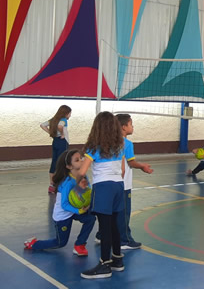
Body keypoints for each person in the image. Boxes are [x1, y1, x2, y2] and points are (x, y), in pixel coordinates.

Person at [78, 111, 126, 279]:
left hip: (103, 187)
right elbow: (122, 170)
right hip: (119, 186)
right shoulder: (120, 146)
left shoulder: (93, 148)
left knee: (104, 227)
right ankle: (117, 260)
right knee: (114, 225)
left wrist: (80, 180)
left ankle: (104, 264)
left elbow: (82, 171)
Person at [96, 114, 153, 250]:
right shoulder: (126, 143)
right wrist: (143, 166)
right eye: (130, 124)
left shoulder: (106, 142)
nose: (133, 127)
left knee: (109, 212)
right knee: (123, 213)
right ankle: (124, 240)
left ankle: (101, 235)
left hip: (107, 183)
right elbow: (131, 162)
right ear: (123, 127)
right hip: (123, 184)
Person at [24, 149, 96, 256]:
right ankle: (34, 244)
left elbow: (87, 192)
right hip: (63, 214)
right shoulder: (66, 183)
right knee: (60, 243)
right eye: (77, 160)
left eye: (81, 158)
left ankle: (79, 245)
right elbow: (64, 205)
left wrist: (88, 203)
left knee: (90, 219)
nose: (81, 161)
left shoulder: (83, 177)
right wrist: (79, 210)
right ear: (69, 166)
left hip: (75, 210)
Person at [40, 105, 72, 194]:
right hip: (62, 142)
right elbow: (60, 126)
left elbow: (42, 125)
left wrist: (51, 132)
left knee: (54, 161)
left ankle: (51, 185)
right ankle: (61, 183)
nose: (70, 115)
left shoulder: (53, 119)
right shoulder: (63, 120)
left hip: (55, 141)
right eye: (69, 113)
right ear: (66, 113)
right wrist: (62, 134)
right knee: (62, 161)